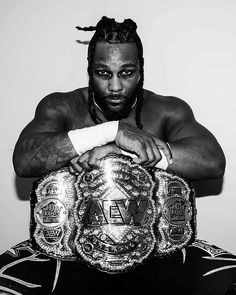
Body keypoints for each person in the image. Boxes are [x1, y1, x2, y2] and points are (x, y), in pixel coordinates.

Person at [0, 16, 235, 295]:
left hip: (160, 254)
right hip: (67, 255)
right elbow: (24, 160)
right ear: (90, 71)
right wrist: (111, 131)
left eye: (126, 73)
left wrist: (121, 151)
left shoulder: (166, 110)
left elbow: (212, 161)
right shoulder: (61, 106)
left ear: (140, 70)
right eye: (103, 73)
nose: (114, 86)